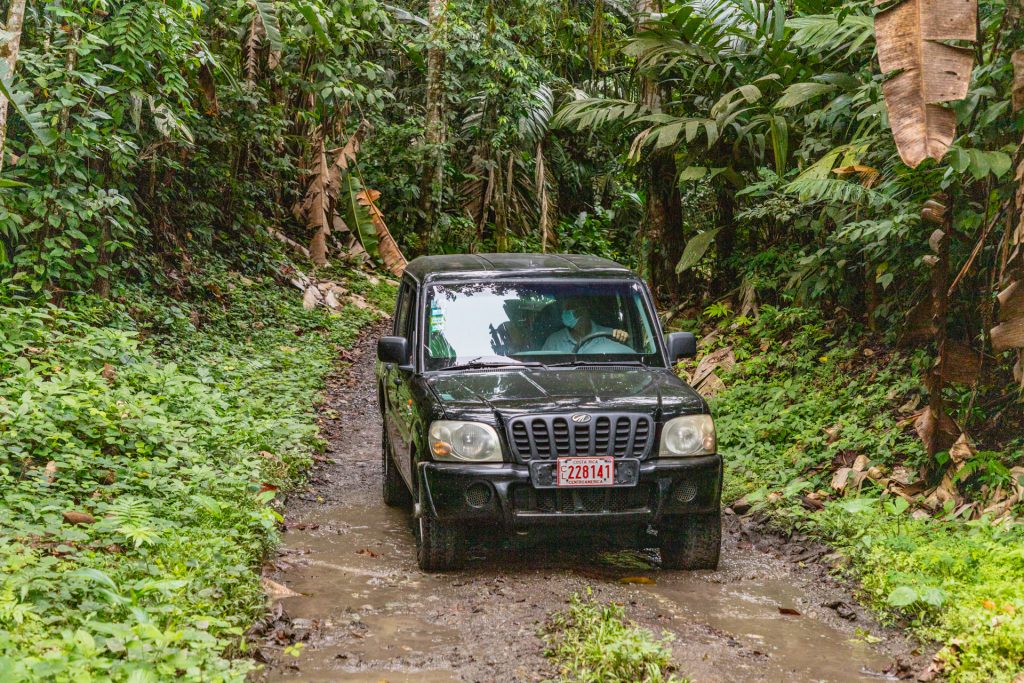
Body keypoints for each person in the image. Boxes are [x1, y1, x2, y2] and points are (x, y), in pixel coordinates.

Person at [541, 296, 632, 353]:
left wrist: (623, 337)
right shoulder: (554, 341)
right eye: (564, 309)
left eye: (569, 308)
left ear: (584, 310)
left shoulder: (609, 335)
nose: (565, 313)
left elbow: (629, 358)